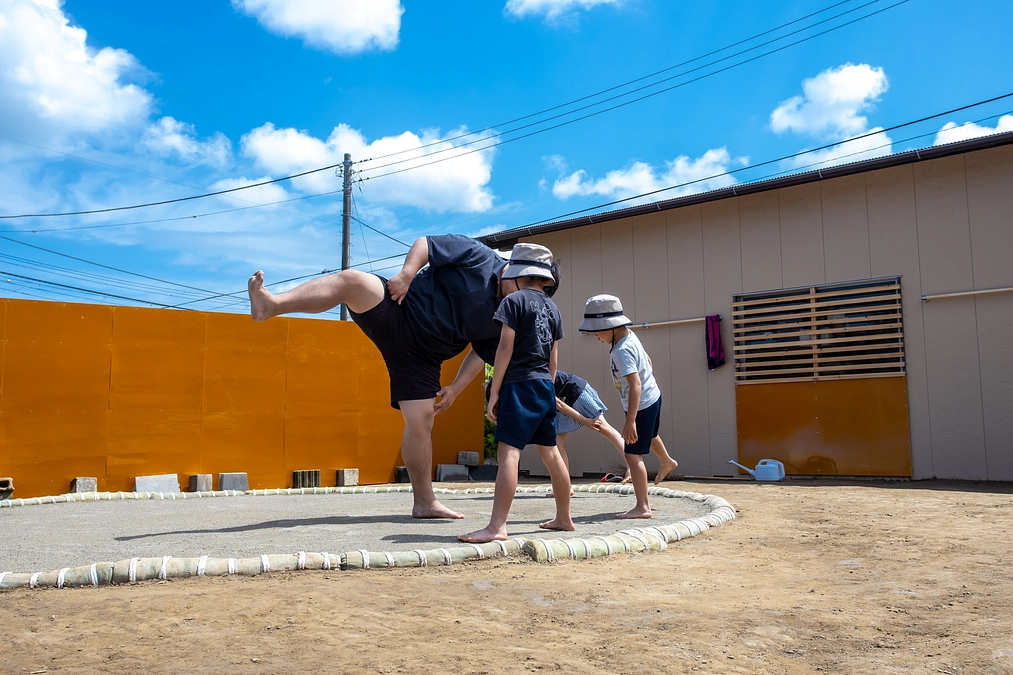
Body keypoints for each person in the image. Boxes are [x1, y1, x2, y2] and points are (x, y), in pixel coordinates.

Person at [248, 234, 518, 520]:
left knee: (421, 421)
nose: (518, 297)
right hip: (397, 307)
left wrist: (456, 388)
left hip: (422, 359)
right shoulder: (478, 255)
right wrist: (406, 274)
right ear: (513, 268)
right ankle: (272, 305)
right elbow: (425, 244)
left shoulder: (508, 311)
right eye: (520, 286)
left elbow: (483, 352)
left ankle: (424, 502)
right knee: (353, 282)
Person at [459, 243, 573, 543]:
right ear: (544, 277)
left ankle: (497, 526)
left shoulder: (512, 302)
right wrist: (548, 388)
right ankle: (564, 517)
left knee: (509, 454)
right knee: (551, 454)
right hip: (543, 385)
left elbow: (504, 349)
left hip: (519, 384)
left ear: (519, 275)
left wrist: (494, 391)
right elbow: (554, 358)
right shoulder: (553, 308)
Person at [579, 294, 678, 519]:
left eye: (598, 330)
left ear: (611, 327)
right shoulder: (630, 336)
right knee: (650, 434)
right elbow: (647, 360)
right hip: (653, 397)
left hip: (641, 404)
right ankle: (666, 460)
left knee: (633, 455)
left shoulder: (621, 351)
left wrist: (630, 420)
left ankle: (643, 507)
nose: (595, 336)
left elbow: (635, 385)